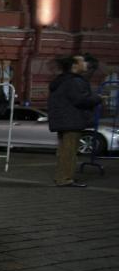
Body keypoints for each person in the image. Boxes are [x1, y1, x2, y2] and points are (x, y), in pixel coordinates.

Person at [48, 54, 101, 188]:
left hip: (64, 121)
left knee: (64, 151)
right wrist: (98, 98)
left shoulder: (62, 80)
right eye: (82, 62)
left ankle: (61, 177)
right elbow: (80, 100)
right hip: (71, 121)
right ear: (74, 66)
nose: (86, 65)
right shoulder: (74, 81)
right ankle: (65, 179)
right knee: (69, 152)